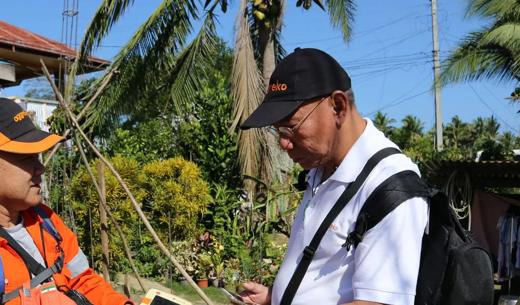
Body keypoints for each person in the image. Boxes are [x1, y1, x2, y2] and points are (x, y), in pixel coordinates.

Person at [238, 48, 428, 305]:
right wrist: (275, 297)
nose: (284, 143)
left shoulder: (390, 187)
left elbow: (378, 302)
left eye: (290, 128)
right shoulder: (320, 168)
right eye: (277, 132)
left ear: (338, 107)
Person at [0, 98, 133, 305]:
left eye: (38, 157)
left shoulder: (46, 220)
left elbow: (82, 281)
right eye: (26, 158)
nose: (40, 168)